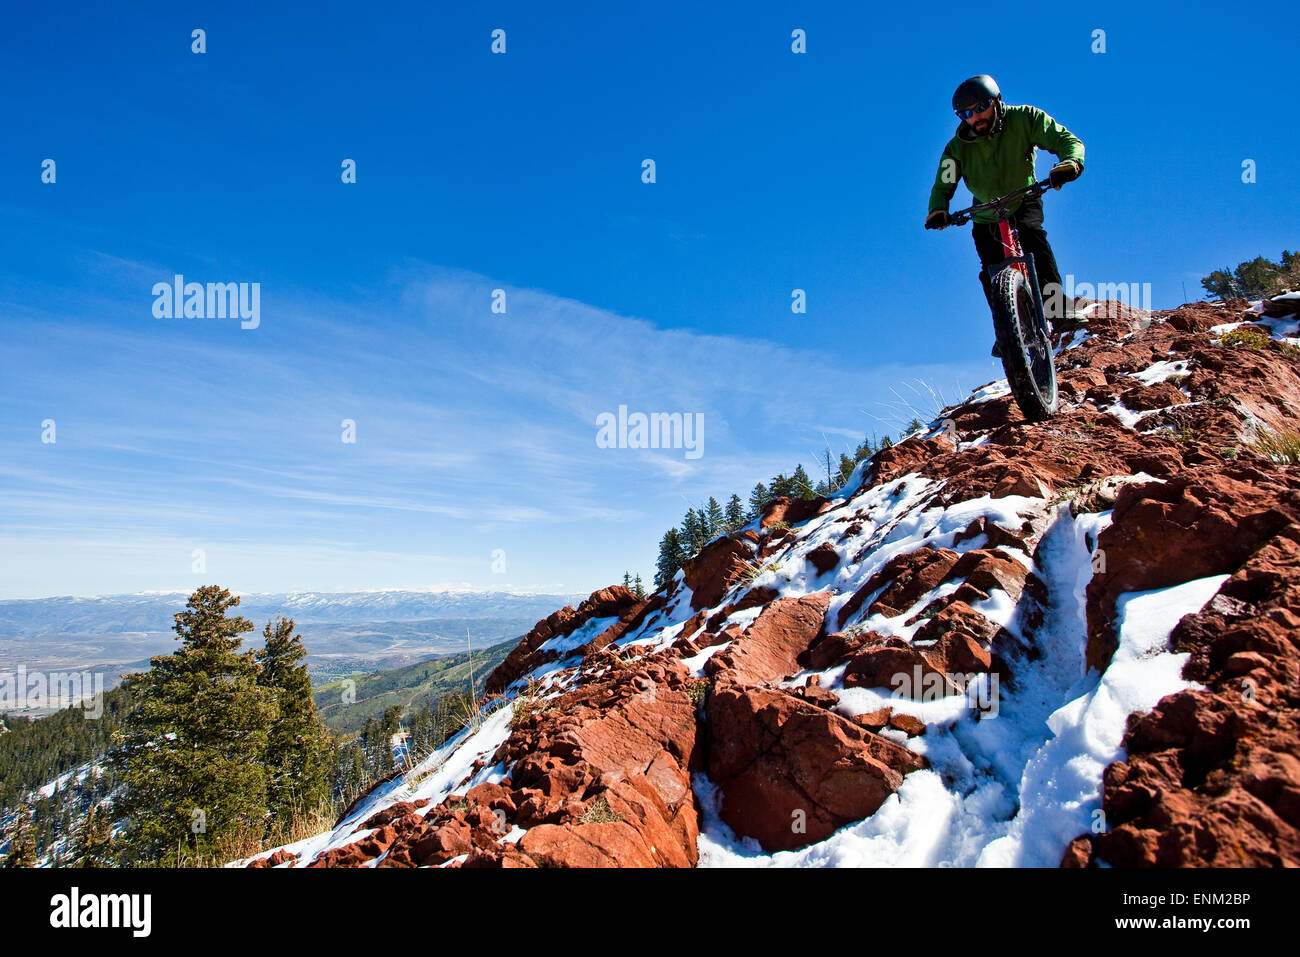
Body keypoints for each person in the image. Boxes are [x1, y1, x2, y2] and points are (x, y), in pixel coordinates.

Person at [924, 75, 1084, 355]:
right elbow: (944, 182)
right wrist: (938, 210)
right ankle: (1008, 330)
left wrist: (1069, 163)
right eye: (966, 113)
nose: (975, 117)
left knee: (1034, 241)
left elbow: (1065, 140)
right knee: (991, 271)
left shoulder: (1026, 118)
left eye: (981, 107)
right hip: (985, 213)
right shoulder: (956, 148)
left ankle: (1058, 311)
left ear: (996, 101)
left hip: (1024, 197)